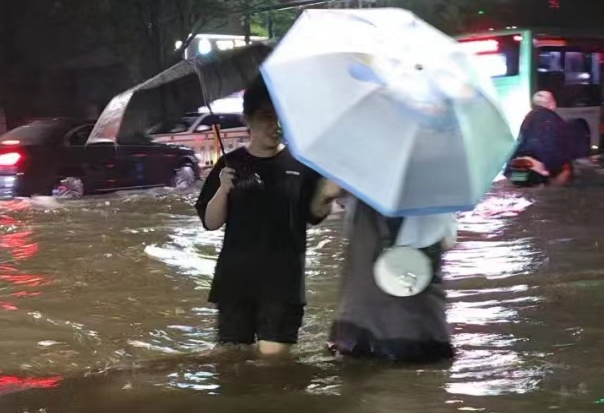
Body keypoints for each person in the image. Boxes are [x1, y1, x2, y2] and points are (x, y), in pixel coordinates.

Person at [195, 76, 338, 356]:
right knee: (232, 365)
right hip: (235, 282)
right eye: (266, 117)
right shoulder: (230, 164)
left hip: (284, 282)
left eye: (280, 117)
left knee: (274, 368)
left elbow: (314, 216)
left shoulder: (303, 164)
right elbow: (211, 223)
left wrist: (326, 195)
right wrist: (223, 189)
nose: (275, 126)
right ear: (247, 119)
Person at [328, 203, 456, 364]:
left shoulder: (363, 187)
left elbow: (329, 193)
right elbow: (448, 241)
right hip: (424, 328)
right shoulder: (441, 190)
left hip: (364, 324)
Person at [506, 90, 574, 187]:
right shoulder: (555, 119)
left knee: (520, 190)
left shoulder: (528, 118)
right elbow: (560, 147)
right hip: (539, 165)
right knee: (566, 170)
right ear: (551, 104)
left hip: (517, 163)